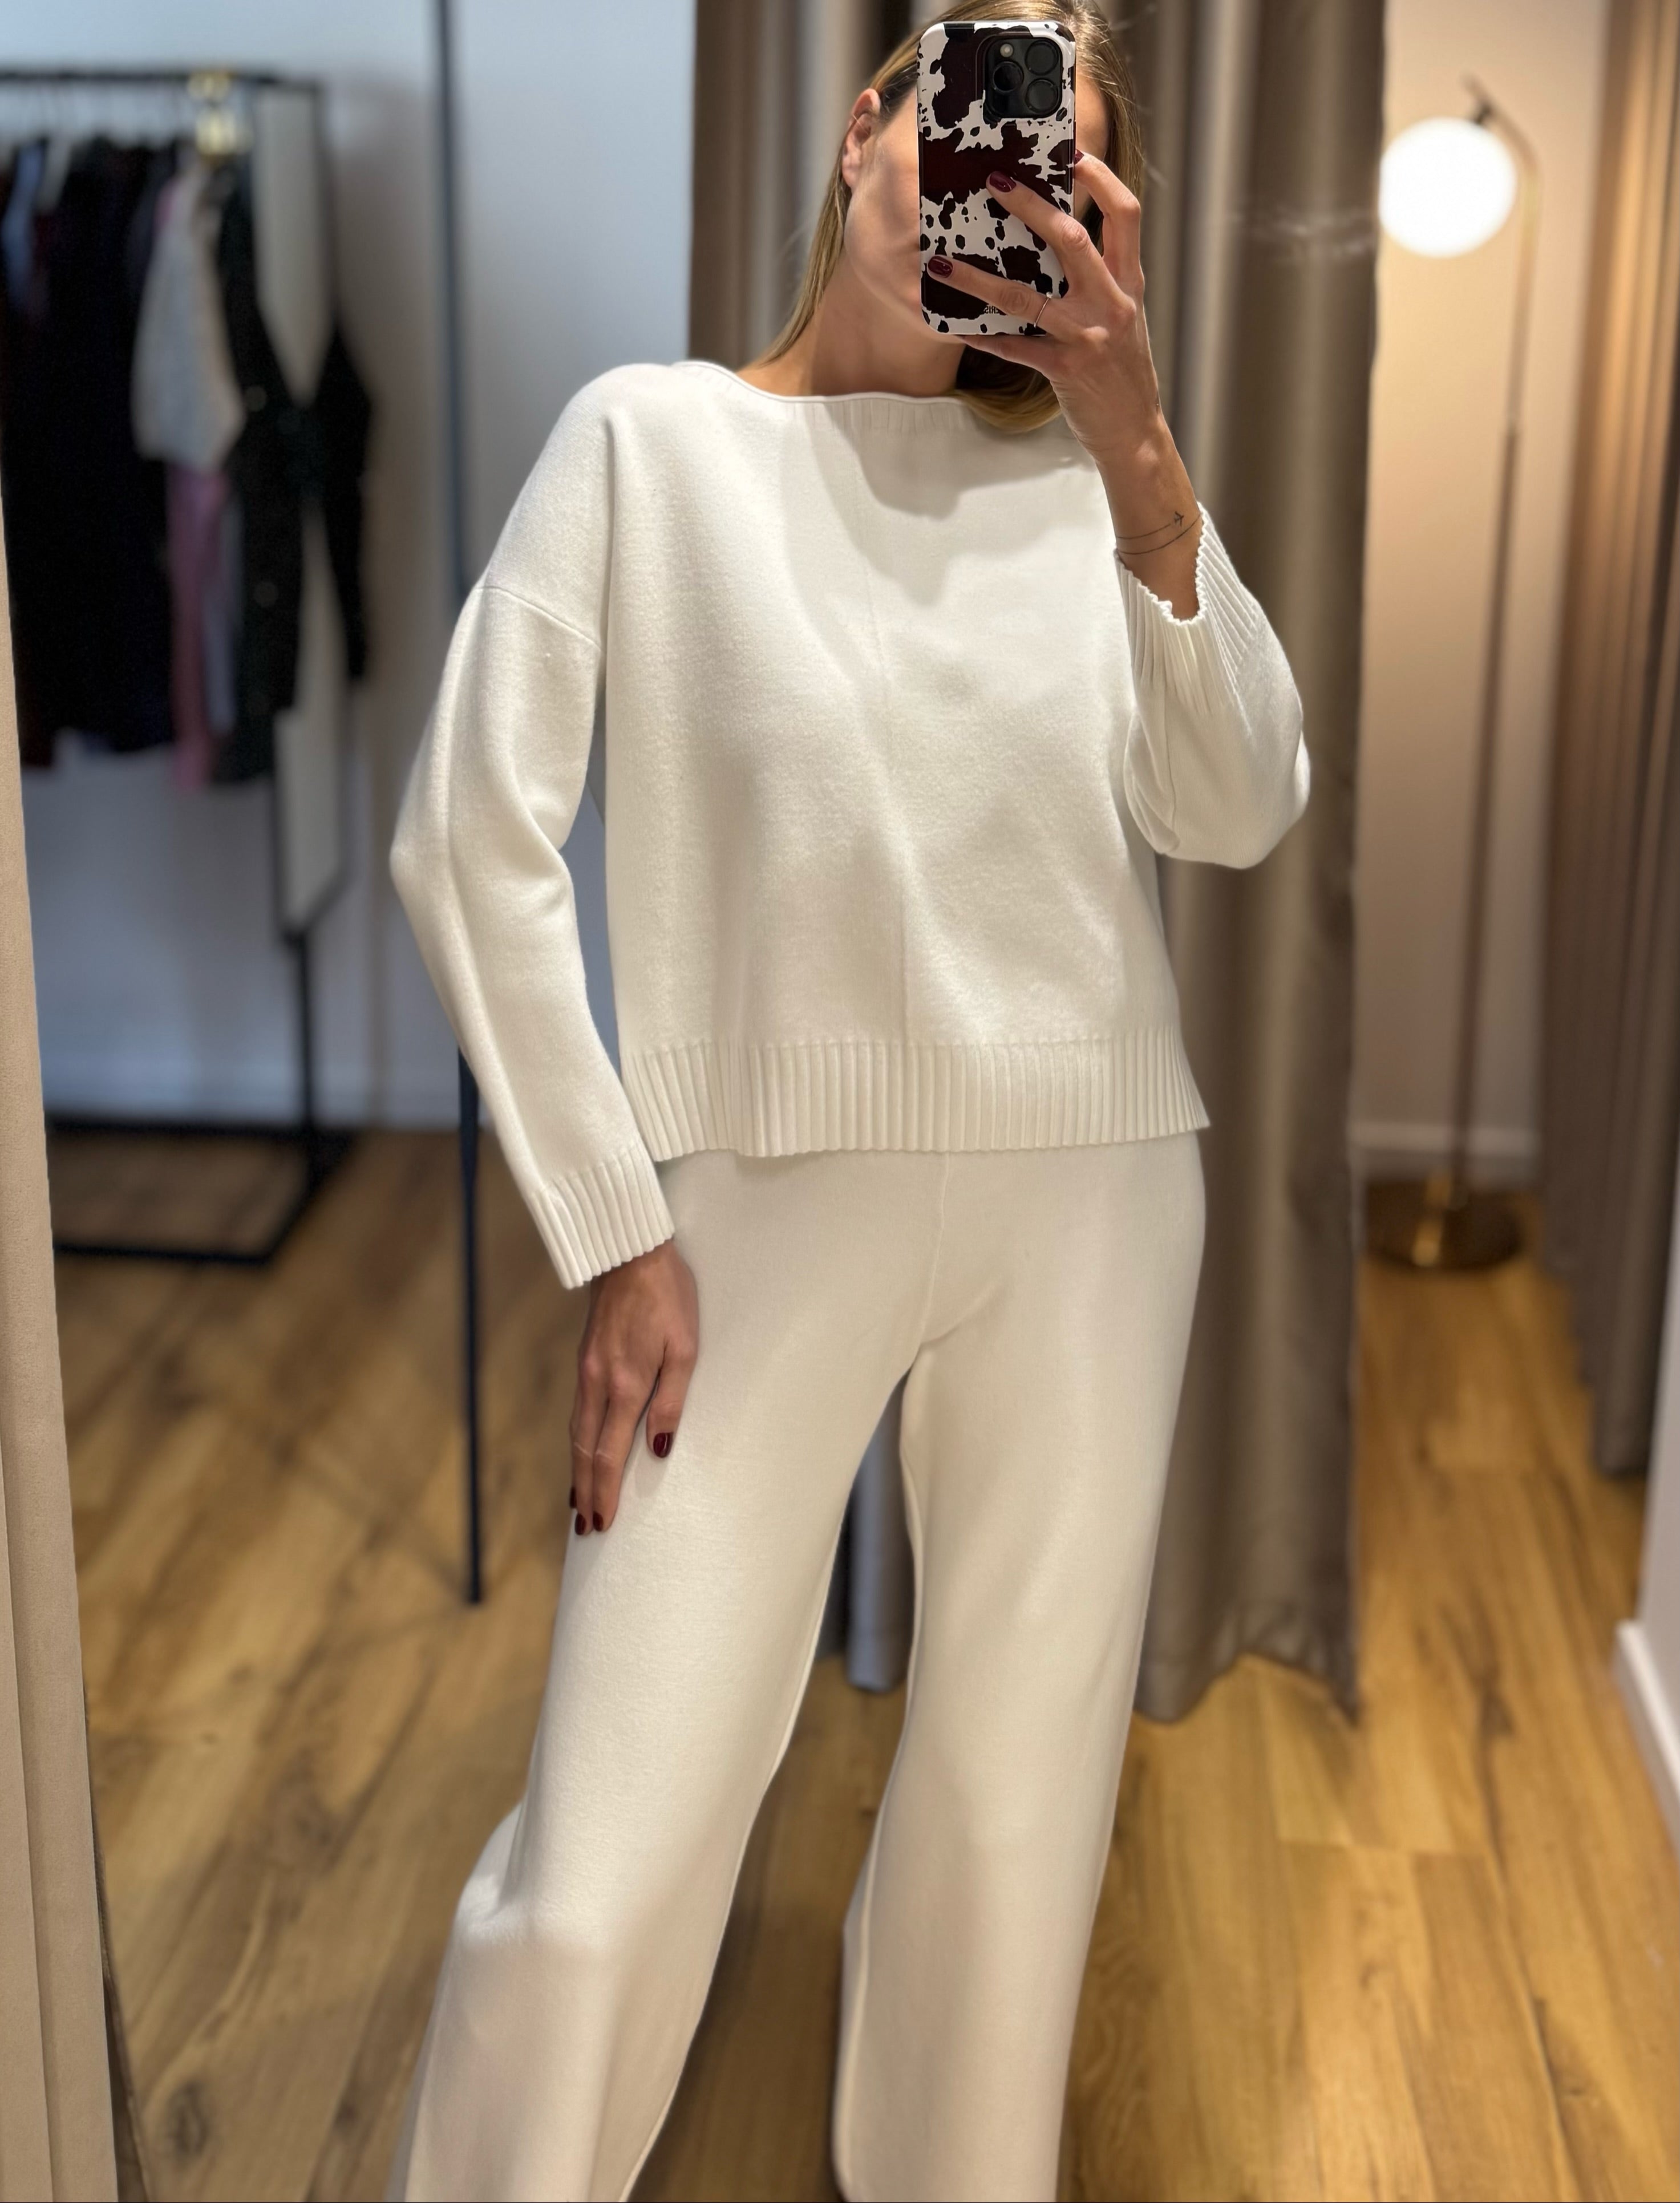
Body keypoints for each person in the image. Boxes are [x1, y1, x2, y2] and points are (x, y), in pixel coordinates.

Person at [385, 3, 1309, 2197]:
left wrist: (1139, 447)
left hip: (1093, 1202)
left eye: (1050, 170)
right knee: (603, 1869)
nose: (990, 189)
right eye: (962, 129)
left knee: (1012, 1818)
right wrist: (612, 1219)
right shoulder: (650, 445)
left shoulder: (1093, 494)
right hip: (743, 1223)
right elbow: (464, 840)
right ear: (861, 135)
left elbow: (1241, 804)